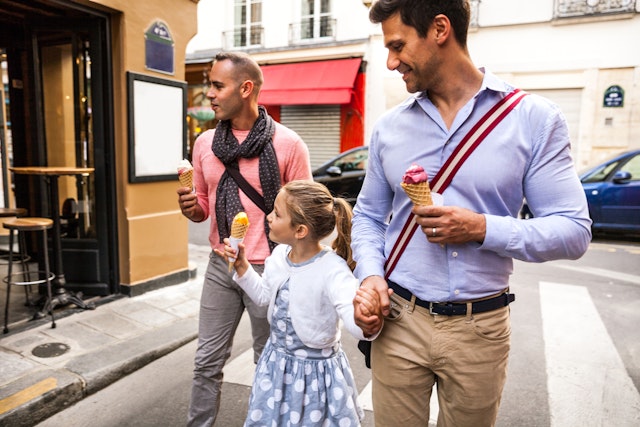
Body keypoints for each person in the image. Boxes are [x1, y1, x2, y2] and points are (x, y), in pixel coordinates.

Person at [351, 1, 593, 426]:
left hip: (479, 329)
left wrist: (482, 228)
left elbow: (573, 231)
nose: (390, 62)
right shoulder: (389, 128)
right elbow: (369, 215)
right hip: (399, 320)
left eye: (397, 45)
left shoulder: (534, 119)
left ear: (440, 29)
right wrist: (370, 275)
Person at [177, 51, 312, 427]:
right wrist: (191, 207)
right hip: (222, 264)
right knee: (206, 361)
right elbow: (202, 207)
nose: (210, 94)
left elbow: (308, 217)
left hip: (271, 269)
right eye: (210, 85)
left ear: (246, 88)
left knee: (267, 361)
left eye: (218, 85)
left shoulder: (289, 144)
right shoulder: (204, 144)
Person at [218, 180, 380, 426]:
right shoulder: (279, 255)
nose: (269, 217)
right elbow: (264, 296)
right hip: (275, 367)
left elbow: (353, 318)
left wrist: (366, 321)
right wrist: (242, 266)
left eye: (277, 213)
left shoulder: (332, 269)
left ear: (300, 230)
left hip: (314, 377)